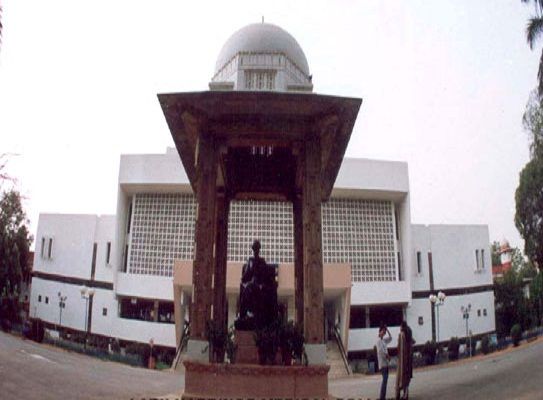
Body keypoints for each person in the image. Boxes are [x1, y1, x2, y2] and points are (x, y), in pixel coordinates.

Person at [395, 321, 415, 399]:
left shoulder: (401, 335)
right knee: (407, 377)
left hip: (403, 360)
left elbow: (399, 348)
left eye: (400, 326)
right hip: (409, 359)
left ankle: (399, 395)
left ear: (402, 327)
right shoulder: (409, 335)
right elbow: (413, 342)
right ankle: (406, 394)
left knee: (400, 377)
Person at [376, 324, 392, 400]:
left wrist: (387, 330)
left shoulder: (383, 340)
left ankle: (383, 397)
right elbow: (381, 352)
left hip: (386, 363)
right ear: (380, 331)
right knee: (384, 380)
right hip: (382, 364)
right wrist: (387, 356)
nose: (384, 333)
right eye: (383, 331)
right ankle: (382, 397)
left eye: (384, 332)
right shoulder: (378, 341)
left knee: (385, 381)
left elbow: (390, 338)